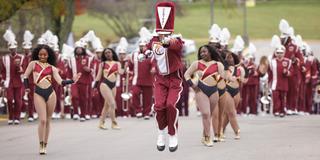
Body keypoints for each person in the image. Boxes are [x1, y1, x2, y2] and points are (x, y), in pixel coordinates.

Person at [138, 1, 183, 152]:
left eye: (166, 32)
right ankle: (161, 132)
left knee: (170, 105)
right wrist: (144, 55)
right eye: (160, 32)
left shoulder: (176, 39)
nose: (163, 34)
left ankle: (173, 134)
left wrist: (167, 41)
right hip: (160, 79)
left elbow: (175, 45)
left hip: (174, 79)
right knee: (158, 106)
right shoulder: (154, 40)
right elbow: (149, 49)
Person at [23, 45, 78, 155]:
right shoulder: (33, 64)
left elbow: (60, 82)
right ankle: (40, 143)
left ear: (49, 55)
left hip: (51, 94)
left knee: (48, 120)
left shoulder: (52, 68)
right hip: (38, 93)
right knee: (42, 120)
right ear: (37, 54)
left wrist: (72, 80)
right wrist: (27, 88)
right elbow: (25, 76)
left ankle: (45, 145)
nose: (42, 56)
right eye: (40, 54)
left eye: (45, 54)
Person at [184, 45, 226, 147]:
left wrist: (218, 79)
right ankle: (207, 138)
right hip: (200, 91)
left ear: (210, 52)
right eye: (201, 52)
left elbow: (222, 78)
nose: (202, 54)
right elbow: (186, 74)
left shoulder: (218, 64)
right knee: (206, 114)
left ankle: (204, 135)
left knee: (209, 115)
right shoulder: (197, 64)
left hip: (214, 91)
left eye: (205, 52)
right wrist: (193, 86)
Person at [127, 27, 155, 119]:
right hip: (136, 80)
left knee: (148, 98)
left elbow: (153, 64)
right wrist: (129, 71)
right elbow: (130, 66)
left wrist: (153, 69)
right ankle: (138, 110)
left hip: (148, 80)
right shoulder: (134, 55)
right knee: (134, 93)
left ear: (147, 46)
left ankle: (146, 113)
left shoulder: (150, 55)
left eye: (144, 46)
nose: (142, 47)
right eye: (140, 46)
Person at [221, 50, 247, 140]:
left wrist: (244, 75)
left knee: (228, 114)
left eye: (230, 57)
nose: (229, 59)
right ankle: (237, 131)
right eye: (227, 58)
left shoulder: (240, 69)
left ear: (234, 58)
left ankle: (221, 130)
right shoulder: (224, 68)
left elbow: (244, 81)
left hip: (236, 91)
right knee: (232, 112)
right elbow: (224, 77)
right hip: (226, 90)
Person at [94, 48, 122, 130]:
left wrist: (124, 64)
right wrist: (95, 86)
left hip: (113, 85)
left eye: (109, 52)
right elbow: (98, 76)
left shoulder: (117, 63)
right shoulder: (102, 64)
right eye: (106, 53)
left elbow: (121, 72)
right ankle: (114, 123)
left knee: (106, 106)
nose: (108, 54)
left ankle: (101, 123)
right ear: (104, 55)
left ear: (112, 53)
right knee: (112, 104)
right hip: (104, 84)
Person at [1, 29, 24, 125]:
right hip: (8, 82)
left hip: (18, 81)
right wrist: (2, 80)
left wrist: (19, 68)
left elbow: (24, 70)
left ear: (16, 48)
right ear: (9, 48)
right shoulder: (4, 58)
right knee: (9, 100)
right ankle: (11, 117)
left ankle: (17, 117)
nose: (13, 50)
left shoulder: (21, 57)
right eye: (11, 48)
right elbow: (2, 71)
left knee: (18, 101)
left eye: (14, 48)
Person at [269, 35, 293, 117]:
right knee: (276, 98)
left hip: (284, 83)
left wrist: (287, 72)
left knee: (283, 98)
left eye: (281, 53)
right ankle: (276, 111)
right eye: (278, 53)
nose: (279, 54)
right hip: (275, 84)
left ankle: (283, 111)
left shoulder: (288, 61)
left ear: (284, 53)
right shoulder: (272, 61)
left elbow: (291, 73)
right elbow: (269, 73)